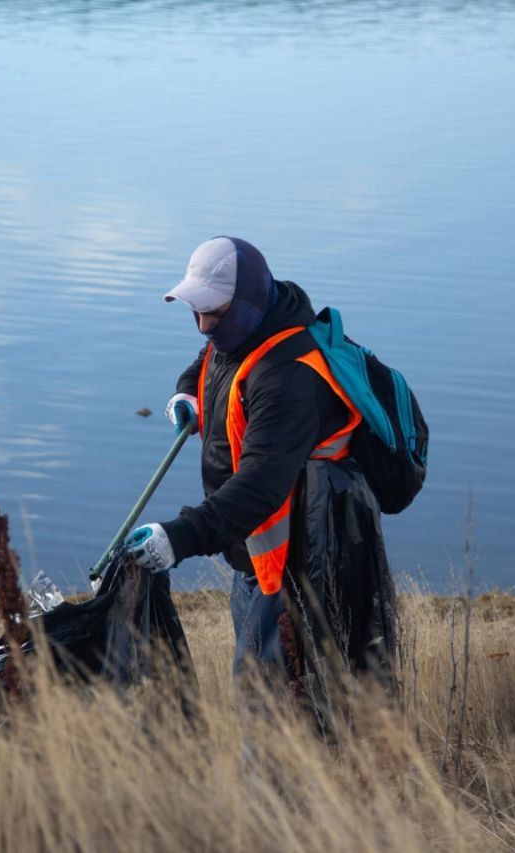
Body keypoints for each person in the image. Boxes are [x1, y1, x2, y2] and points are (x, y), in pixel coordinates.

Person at [125, 236, 399, 696]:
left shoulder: (288, 376)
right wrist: (188, 391)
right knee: (270, 700)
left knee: (275, 713)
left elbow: (260, 487)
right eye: (196, 309)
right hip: (256, 556)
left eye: (213, 311)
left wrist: (178, 536)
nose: (202, 324)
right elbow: (211, 359)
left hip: (304, 563)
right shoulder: (247, 328)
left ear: (247, 301)